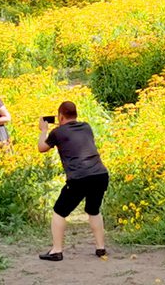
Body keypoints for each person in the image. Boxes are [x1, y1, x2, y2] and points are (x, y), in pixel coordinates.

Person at [37, 101, 110, 261]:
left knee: (59, 212)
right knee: (94, 210)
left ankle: (56, 251)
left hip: (79, 177)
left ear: (60, 116)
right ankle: (100, 248)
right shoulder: (86, 127)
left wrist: (44, 130)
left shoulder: (57, 132)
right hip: (100, 174)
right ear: (76, 114)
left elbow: (42, 148)